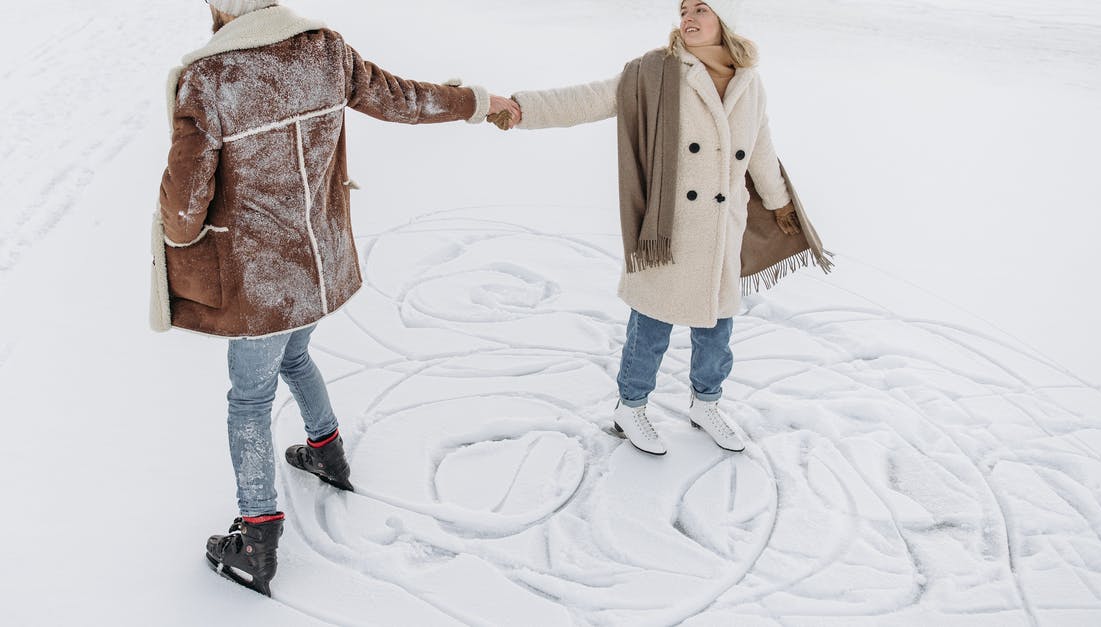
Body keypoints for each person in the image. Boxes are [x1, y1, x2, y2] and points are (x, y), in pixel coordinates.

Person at [150, 0, 520, 596]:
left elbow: (184, 205)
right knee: (295, 357)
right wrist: (478, 102)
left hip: (257, 279)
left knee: (249, 399)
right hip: (318, 262)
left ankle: (257, 533)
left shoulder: (210, 78)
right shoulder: (322, 49)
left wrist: (177, 237)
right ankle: (326, 453)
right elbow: (403, 99)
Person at [506, 0, 832, 456]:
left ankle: (706, 403)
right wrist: (520, 109)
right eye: (683, 10)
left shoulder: (749, 83)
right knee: (652, 324)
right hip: (669, 229)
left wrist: (779, 203)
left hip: (722, 228)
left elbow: (760, 147)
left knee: (717, 329)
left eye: (701, 8)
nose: (688, 18)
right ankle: (630, 406)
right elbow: (590, 98)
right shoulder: (655, 73)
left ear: (726, 20)